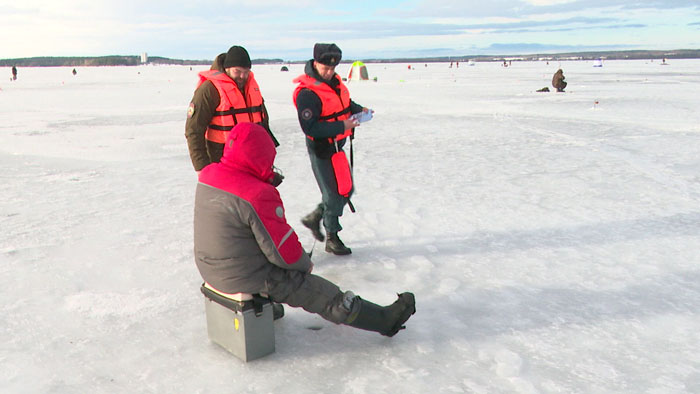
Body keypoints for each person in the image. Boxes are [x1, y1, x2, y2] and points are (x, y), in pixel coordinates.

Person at [193, 122, 416, 337]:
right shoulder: (256, 193)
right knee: (310, 288)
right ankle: (385, 320)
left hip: (210, 268)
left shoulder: (209, 175)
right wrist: (303, 264)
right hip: (241, 275)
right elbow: (282, 252)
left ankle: (269, 307)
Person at [293, 43, 372, 255]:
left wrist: (358, 110)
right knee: (332, 195)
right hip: (320, 148)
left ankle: (316, 216)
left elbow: (343, 103)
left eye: (333, 68)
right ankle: (332, 237)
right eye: (324, 67)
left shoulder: (335, 83)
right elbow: (309, 127)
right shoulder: (307, 93)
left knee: (346, 190)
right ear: (315, 63)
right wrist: (342, 126)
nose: (329, 72)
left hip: (338, 146)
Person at [185, 45, 278, 173]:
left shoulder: (251, 88)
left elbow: (263, 123)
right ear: (227, 68)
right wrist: (202, 168)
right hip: (221, 161)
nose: (242, 76)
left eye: (246, 72)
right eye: (237, 71)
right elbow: (194, 130)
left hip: (252, 161)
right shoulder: (209, 89)